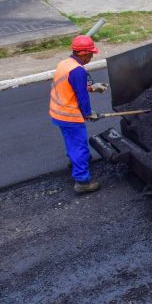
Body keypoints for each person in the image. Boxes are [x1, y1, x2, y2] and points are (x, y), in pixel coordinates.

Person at [49, 35, 108, 193]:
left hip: (57, 113)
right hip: (69, 115)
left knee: (71, 142)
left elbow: (72, 86)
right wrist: (88, 113)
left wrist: (92, 87)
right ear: (83, 53)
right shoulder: (77, 71)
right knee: (79, 146)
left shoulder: (66, 63)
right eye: (91, 53)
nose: (92, 56)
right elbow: (82, 97)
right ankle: (82, 182)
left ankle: (75, 162)